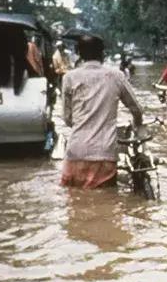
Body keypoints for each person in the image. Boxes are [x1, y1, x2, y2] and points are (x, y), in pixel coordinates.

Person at [60, 35, 144, 189]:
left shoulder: (69, 77)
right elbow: (136, 108)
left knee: (74, 205)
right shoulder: (116, 76)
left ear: (79, 53)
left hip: (76, 151)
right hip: (104, 153)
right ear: (102, 53)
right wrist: (138, 125)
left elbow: (67, 119)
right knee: (105, 204)